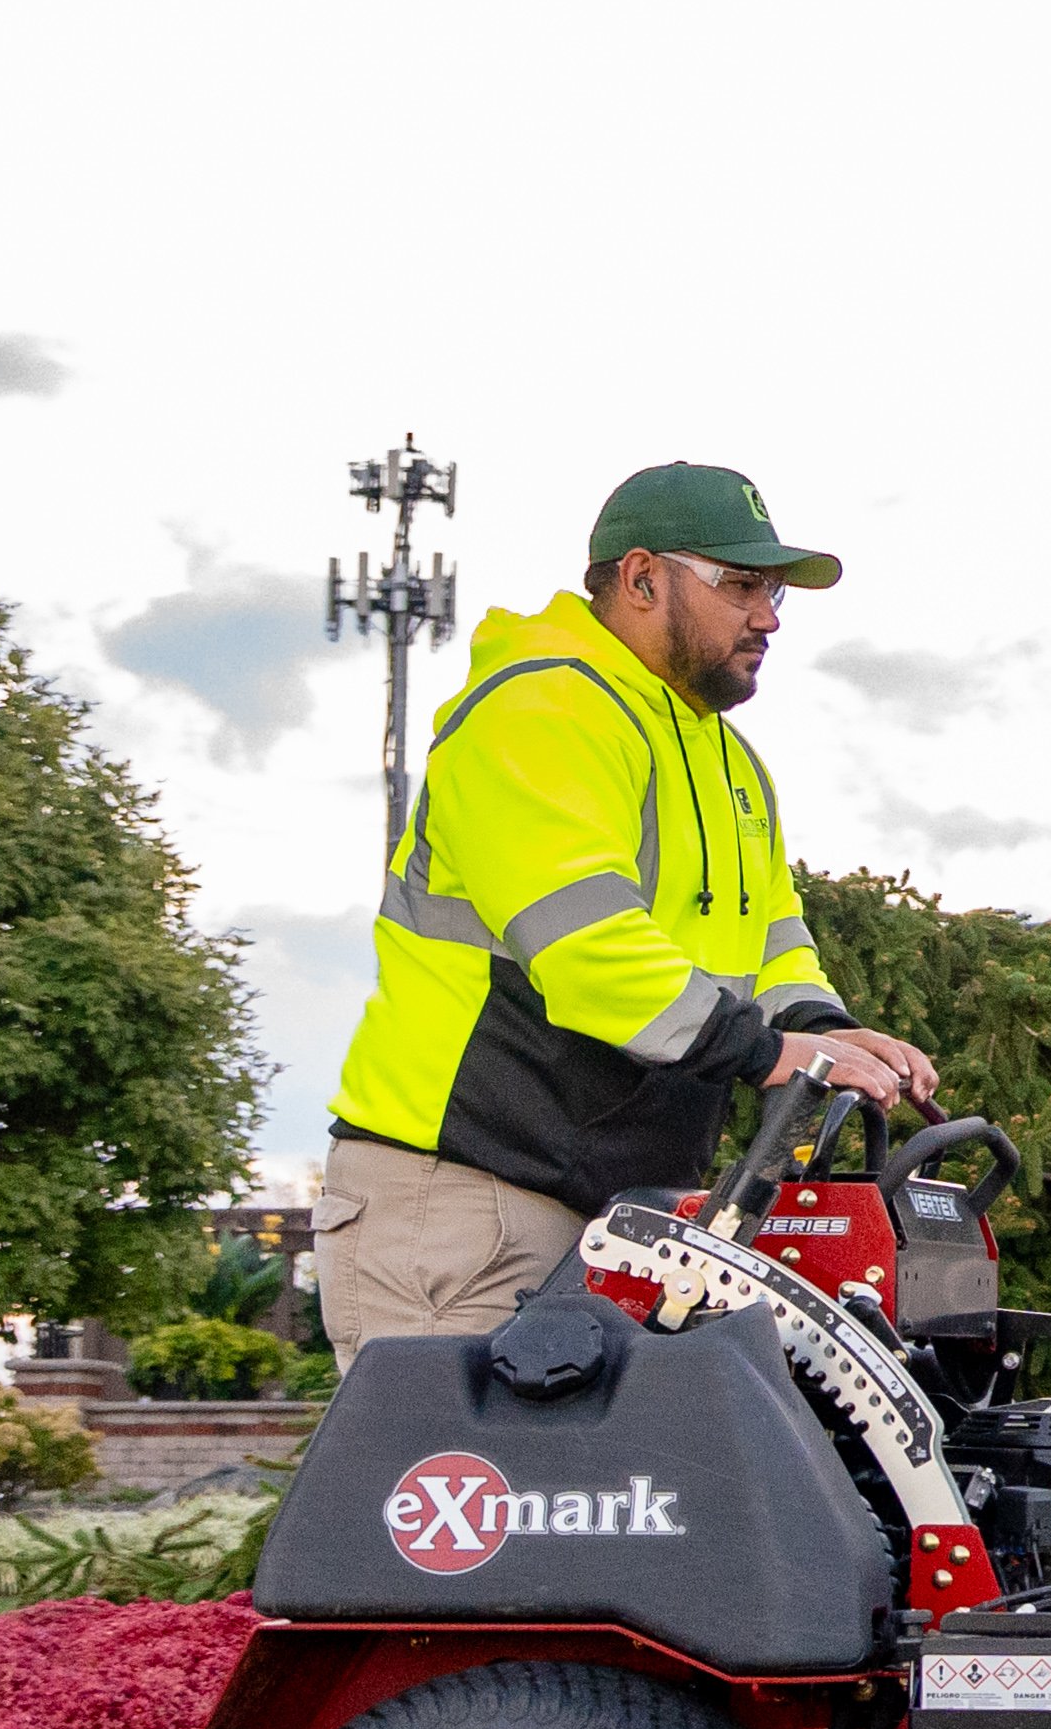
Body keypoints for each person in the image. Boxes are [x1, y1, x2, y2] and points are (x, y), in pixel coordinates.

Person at [310, 463, 939, 1362]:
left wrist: (826, 1030)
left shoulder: (724, 757)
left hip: (615, 1214)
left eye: (773, 593)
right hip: (465, 1202)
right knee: (469, 1496)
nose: (766, 616)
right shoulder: (542, 708)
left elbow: (770, 939)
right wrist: (769, 1055)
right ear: (643, 578)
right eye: (741, 585)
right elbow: (585, 947)